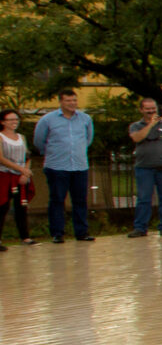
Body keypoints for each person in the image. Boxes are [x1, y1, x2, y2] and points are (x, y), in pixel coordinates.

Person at [32, 90, 95, 243]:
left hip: (79, 166)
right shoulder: (48, 119)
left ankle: (81, 232)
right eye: (68, 101)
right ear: (60, 102)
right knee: (57, 199)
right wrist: (53, 153)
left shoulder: (85, 119)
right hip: (57, 166)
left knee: (80, 200)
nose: (72, 103)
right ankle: (57, 233)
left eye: (74, 100)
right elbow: (39, 141)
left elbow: (88, 139)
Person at [128, 97, 162, 237]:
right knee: (144, 198)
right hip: (144, 167)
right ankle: (140, 228)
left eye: (153, 109)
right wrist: (151, 125)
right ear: (141, 110)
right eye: (148, 109)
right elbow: (137, 138)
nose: (151, 111)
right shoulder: (136, 125)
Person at [0, 108, 34, 249]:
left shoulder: (21, 137)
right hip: (5, 175)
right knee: (2, 207)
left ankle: (25, 237)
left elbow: (28, 157)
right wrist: (20, 169)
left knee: (22, 206)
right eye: (11, 120)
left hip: (21, 176)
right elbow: (1, 158)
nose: (14, 122)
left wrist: (25, 173)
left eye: (16, 119)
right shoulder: (0, 137)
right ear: (3, 122)